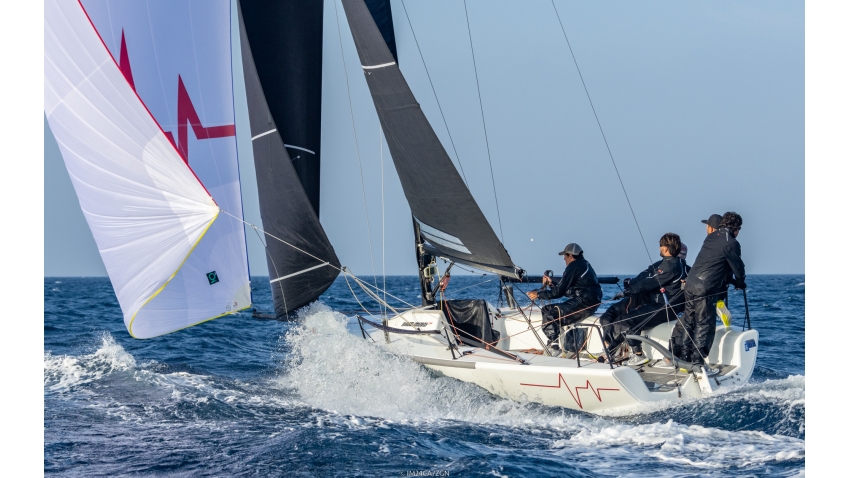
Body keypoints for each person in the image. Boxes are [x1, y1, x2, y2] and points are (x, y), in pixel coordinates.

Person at [671, 212, 746, 372]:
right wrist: (740, 282)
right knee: (704, 324)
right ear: (736, 228)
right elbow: (737, 267)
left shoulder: (710, 237)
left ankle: (685, 361)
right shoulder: (732, 243)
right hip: (705, 288)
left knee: (690, 322)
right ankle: (697, 362)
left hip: (690, 284)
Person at [600, 233, 688, 365]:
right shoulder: (667, 264)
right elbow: (647, 276)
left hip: (664, 308)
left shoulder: (671, 266)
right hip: (657, 304)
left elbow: (650, 282)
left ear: (665, 248)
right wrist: (631, 286)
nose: (659, 248)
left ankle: (631, 355)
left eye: (661, 246)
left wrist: (627, 292)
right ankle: (610, 351)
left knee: (624, 320)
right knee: (620, 317)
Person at [527, 243, 602, 349]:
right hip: (592, 302)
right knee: (551, 309)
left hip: (585, 302)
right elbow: (568, 291)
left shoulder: (573, 266)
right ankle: (559, 343)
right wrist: (552, 284)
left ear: (570, 256)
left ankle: (554, 347)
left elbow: (559, 293)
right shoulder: (585, 264)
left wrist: (538, 294)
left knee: (549, 312)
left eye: (565, 256)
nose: (563, 259)